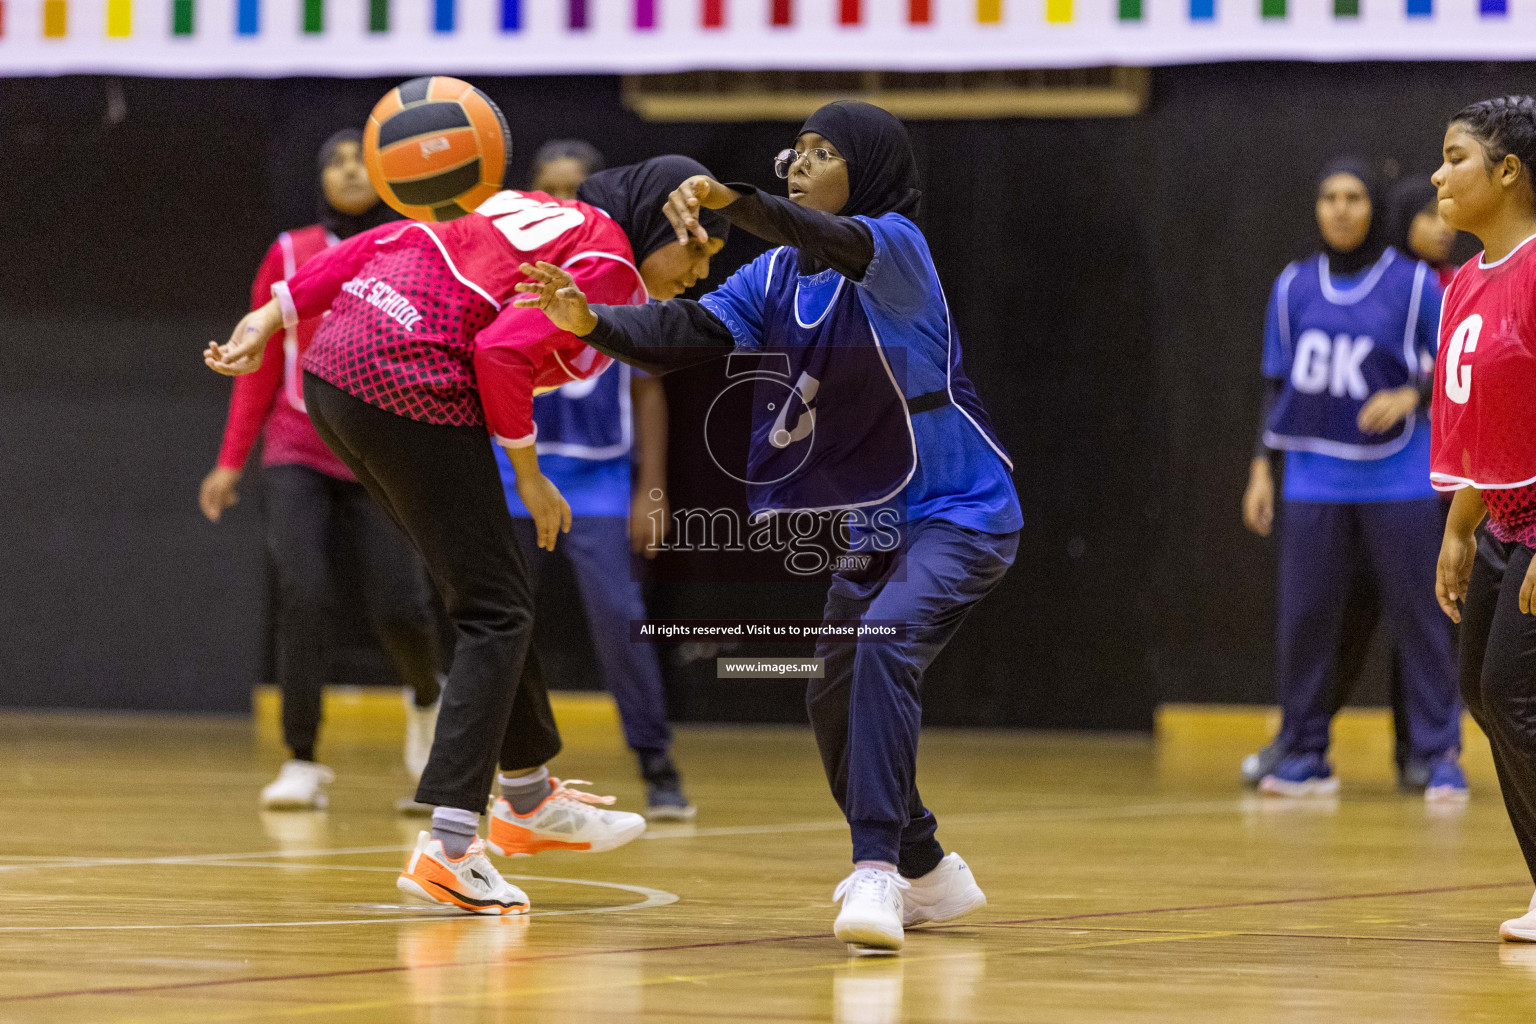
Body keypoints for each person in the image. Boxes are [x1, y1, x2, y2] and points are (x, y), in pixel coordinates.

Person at [515, 101, 1021, 952]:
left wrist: (728, 198)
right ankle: (927, 864)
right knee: (831, 695)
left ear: (867, 172)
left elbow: (806, 227)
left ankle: (877, 872)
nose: (798, 162)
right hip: (873, 519)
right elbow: (686, 331)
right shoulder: (777, 275)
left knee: (885, 645)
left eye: (822, 153)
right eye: (796, 149)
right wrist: (591, 323)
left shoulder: (895, 248)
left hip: (959, 511)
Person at [205, 154, 730, 915]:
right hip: (406, 377)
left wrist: (271, 312)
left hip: (333, 370)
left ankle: (525, 795)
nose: (702, 270)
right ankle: (452, 844)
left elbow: (380, 244)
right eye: (700, 248)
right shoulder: (609, 260)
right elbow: (499, 352)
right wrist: (527, 473)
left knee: (491, 597)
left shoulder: (527, 209)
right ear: (656, 222)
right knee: (496, 609)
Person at [199, 129, 443, 812]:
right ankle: (302, 759)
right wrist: (229, 462)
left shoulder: (411, 245)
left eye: (360, 160)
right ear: (319, 178)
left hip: (380, 452)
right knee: (303, 596)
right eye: (333, 160)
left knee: (401, 604)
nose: (347, 170)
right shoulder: (289, 251)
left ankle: (427, 698)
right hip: (297, 450)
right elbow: (257, 362)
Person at [1240, 157, 1465, 801]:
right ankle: (1306, 752)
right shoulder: (1293, 286)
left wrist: (1413, 394)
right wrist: (1262, 467)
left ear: (1374, 209)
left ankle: (1436, 754)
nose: (1341, 208)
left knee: (1423, 618)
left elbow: (1459, 361)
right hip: (1313, 479)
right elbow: (1277, 383)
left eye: (1355, 197)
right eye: (1329, 197)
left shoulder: (1417, 284)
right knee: (1306, 621)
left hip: (1400, 480)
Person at [497, 141, 693, 820]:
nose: (568, 199)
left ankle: (657, 762)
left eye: (579, 189)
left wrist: (654, 488)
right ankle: (471, 769)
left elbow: (648, 393)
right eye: (553, 188)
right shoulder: (506, 266)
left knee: (620, 619)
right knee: (490, 623)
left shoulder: (623, 279)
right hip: (510, 471)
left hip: (599, 477)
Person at [1430, 95, 1536, 942]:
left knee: (1513, 692)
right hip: (1499, 519)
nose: (1438, 174)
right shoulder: (1467, 281)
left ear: (1508, 171)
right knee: (1483, 692)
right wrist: (1461, 526)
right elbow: (1490, 428)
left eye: (1455, 156)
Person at [1389, 177, 1460, 288]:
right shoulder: (1377, 282)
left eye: (1449, 215)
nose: (1446, 227)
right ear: (1405, 219)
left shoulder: (1460, 283)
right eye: (1430, 213)